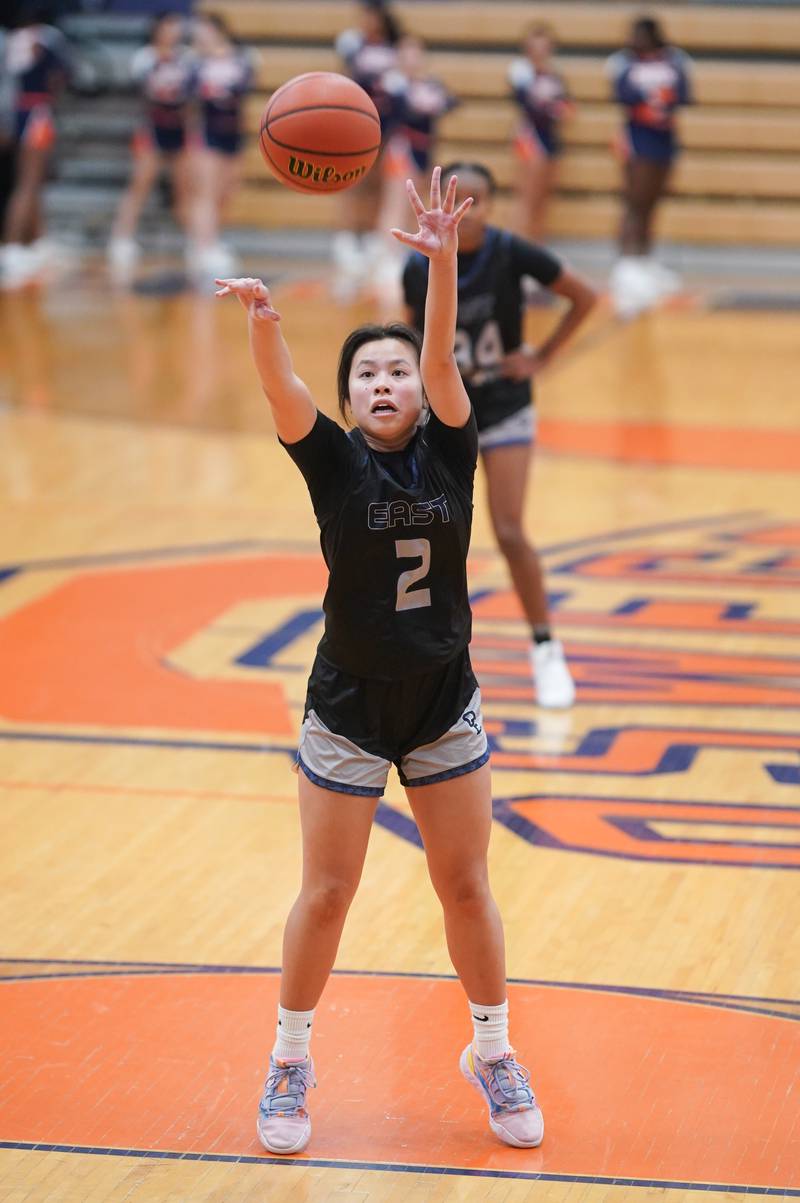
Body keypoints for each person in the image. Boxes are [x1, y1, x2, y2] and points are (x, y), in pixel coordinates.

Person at [216, 166, 545, 1156]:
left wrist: (442, 260)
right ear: (352, 398)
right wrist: (266, 327)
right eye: (368, 375)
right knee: (327, 890)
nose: (387, 382)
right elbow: (283, 394)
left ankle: (489, 1050)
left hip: (442, 696)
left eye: (396, 370)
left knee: (466, 886)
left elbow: (444, 357)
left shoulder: (451, 450)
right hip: (349, 701)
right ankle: (289, 1057)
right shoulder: (332, 460)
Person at [403, 162, 596, 708]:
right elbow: (408, 340)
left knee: (509, 529)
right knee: (432, 532)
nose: (466, 212)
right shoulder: (417, 266)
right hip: (445, 412)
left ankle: (545, 648)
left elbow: (584, 296)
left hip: (505, 404)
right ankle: (426, 654)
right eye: (456, 198)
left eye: (478, 200)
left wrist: (542, 356)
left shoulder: (513, 253)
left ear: (490, 206)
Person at [606, 16, 692, 317]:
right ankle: (625, 267)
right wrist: (651, 104)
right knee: (635, 201)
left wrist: (660, 102)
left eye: (640, 35)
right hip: (636, 138)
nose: (635, 40)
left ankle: (644, 261)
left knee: (653, 201)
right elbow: (621, 96)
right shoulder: (621, 62)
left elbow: (683, 95)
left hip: (664, 139)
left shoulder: (675, 60)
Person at [106, 11, 194, 286]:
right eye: (169, 24)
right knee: (141, 184)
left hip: (179, 128)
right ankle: (121, 239)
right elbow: (147, 93)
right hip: (153, 127)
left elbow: (191, 96)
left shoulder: (188, 58)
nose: (174, 29)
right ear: (157, 28)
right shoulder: (145, 57)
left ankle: (195, 244)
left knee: (184, 188)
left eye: (177, 25)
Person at [332, 0, 401, 298]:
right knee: (352, 181)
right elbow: (343, 80)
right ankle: (348, 240)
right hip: (356, 123)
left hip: (386, 124)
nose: (367, 20)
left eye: (371, 15)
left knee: (378, 183)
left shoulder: (394, 46)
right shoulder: (352, 45)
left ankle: (374, 239)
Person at [1, 1, 69, 289]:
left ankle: (36, 242)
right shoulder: (48, 38)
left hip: (18, 112)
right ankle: (11, 247)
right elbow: (59, 77)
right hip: (37, 114)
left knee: (33, 179)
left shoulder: (12, 39)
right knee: (28, 182)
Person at [186, 12, 254, 282]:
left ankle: (210, 241)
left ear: (217, 30)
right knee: (206, 192)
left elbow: (242, 97)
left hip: (233, 132)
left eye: (203, 31)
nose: (199, 37)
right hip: (207, 132)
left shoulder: (242, 58)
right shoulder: (194, 63)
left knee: (227, 191)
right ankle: (204, 247)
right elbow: (190, 103)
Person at [508, 23, 573, 242]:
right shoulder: (521, 71)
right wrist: (552, 108)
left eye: (545, 47)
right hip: (530, 136)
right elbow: (528, 103)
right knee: (527, 196)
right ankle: (517, 247)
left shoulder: (555, 73)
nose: (540, 52)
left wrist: (560, 109)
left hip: (550, 136)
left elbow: (564, 104)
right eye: (535, 47)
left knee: (542, 198)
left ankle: (535, 247)